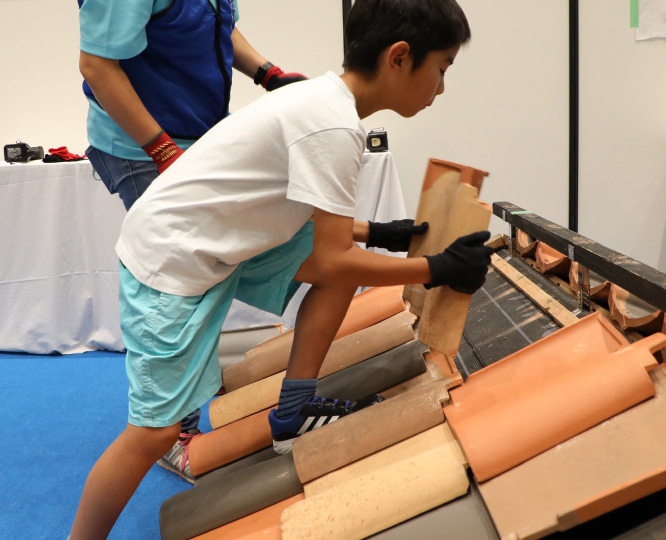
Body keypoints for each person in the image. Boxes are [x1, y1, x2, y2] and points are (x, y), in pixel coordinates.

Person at [69, 0, 492, 537]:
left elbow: (314, 231)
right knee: (154, 433)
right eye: (443, 69)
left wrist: (379, 233)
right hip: (172, 259)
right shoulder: (334, 127)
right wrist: (435, 267)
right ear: (400, 58)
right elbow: (335, 254)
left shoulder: (324, 103)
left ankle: (294, 409)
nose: (442, 87)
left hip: (210, 236)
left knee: (335, 273)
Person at [77, 0, 305, 483]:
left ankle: (183, 410)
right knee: (179, 287)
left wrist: (268, 74)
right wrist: (162, 152)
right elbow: (97, 64)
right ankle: (172, 434)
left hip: (194, 137)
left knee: (207, 271)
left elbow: (219, 30)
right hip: (141, 145)